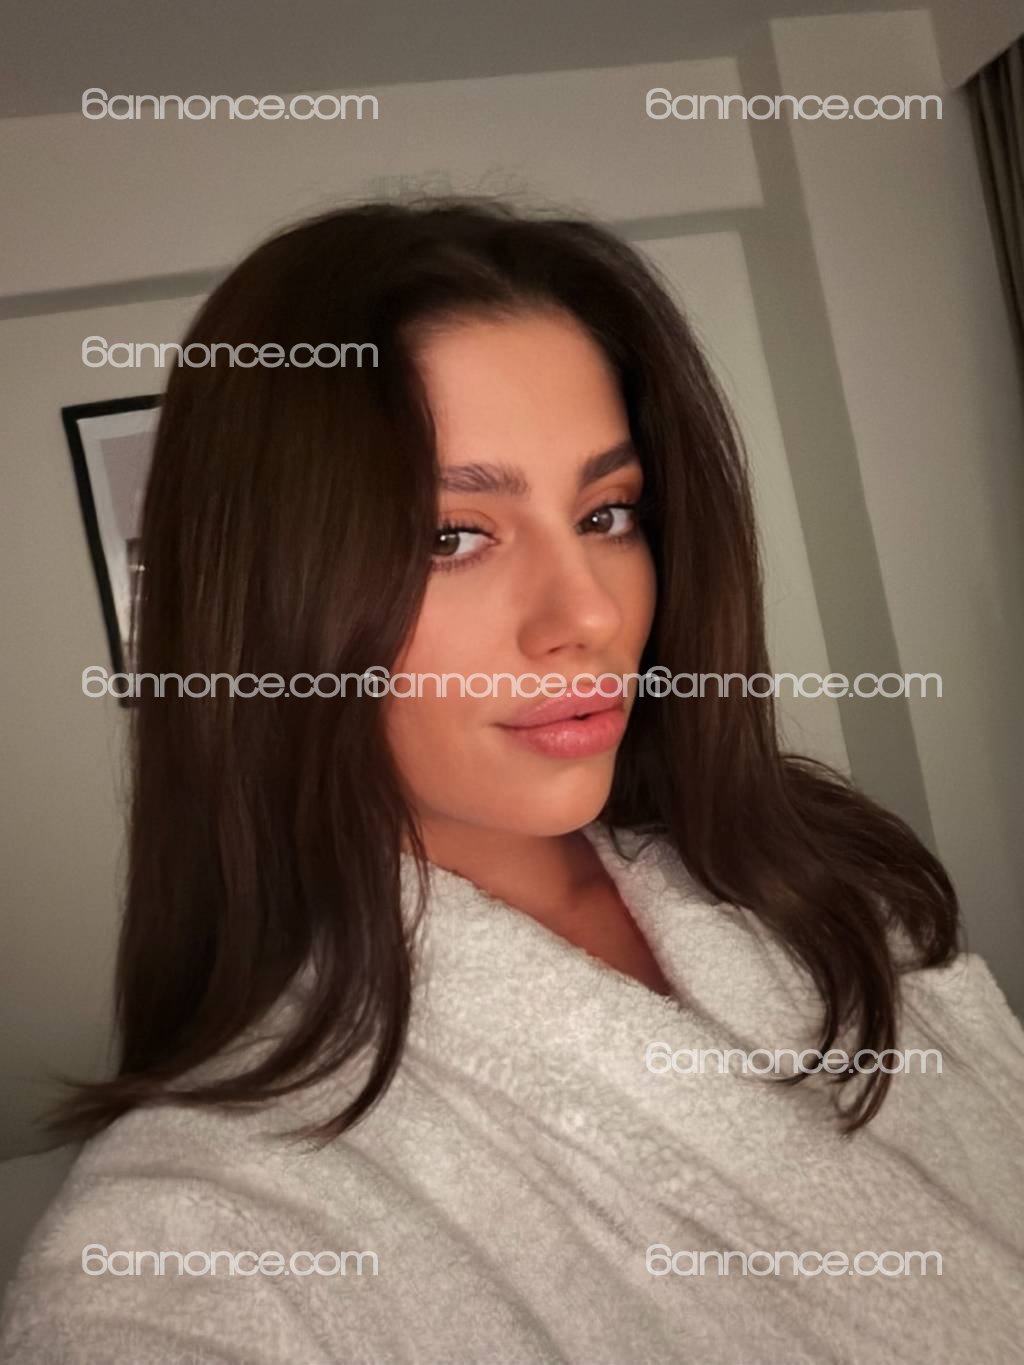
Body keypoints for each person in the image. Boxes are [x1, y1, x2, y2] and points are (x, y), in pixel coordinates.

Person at [2, 198, 1022, 1364]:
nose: (585, 612)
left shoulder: (816, 865)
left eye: (607, 512)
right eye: (452, 535)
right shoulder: (188, 1252)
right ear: (272, 601)